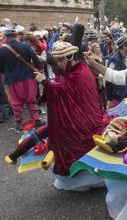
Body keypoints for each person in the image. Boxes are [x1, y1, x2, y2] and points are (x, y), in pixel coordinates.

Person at [34, 41, 108, 179]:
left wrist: (44, 81)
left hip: (87, 120)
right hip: (90, 114)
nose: (60, 64)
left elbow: (63, 90)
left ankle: (78, 173)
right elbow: (67, 90)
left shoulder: (77, 73)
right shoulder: (81, 68)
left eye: (62, 59)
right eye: (58, 60)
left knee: (64, 135)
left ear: (69, 57)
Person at [0, 27, 44, 130]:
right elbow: (37, 60)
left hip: (11, 80)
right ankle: (36, 120)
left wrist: (6, 72)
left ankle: (18, 123)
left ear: (6, 37)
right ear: (15, 36)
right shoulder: (26, 46)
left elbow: (1, 68)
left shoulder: (2, 51)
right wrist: (35, 70)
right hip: (28, 77)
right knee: (31, 100)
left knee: (15, 102)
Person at [105, 35, 127, 107]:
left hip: (126, 96)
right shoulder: (114, 60)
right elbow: (109, 79)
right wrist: (110, 99)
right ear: (124, 47)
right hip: (117, 98)